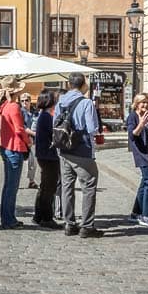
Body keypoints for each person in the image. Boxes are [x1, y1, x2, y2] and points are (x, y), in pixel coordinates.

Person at [56, 73, 104, 238]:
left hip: (64, 149)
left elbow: (56, 122)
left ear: (69, 84)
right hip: (82, 149)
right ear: (84, 85)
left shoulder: (60, 102)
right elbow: (92, 128)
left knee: (67, 186)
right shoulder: (86, 103)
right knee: (89, 186)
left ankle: (69, 224)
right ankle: (87, 226)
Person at [0, 76, 31, 229]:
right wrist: (28, 141)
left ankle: (7, 217)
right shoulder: (14, 107)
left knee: (8, 186)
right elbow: (19, 129)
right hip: (15, 148)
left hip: (5, 147)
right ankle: (9, 220)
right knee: (12, 186)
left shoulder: (3, 106)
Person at [31, 90, 61, 229]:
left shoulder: (43, 115)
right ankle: (46, 217)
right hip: (48, 156)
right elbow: (54, 134)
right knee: (49, 188)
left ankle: (38, 215)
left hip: (44, 155)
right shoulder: (46, 117)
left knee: (44, 187)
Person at [129, 93, 148, 227]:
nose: (145, 105)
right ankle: (146, 215)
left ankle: (136, 213)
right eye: (142, 102)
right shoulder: (133, 116)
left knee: (144, 182)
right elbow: (133, 134)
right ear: (136, 104)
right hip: (141, 153)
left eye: (147, 102)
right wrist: (141, 123)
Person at [21, 93, 40, 190]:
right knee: (19, 160)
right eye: (22, 100)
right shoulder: (20, 112)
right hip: (23, 139)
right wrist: (33, 133)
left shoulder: (35, 111)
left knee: (33, 161)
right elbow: (22, 127)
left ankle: (31, 181)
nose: (24, 102)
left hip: (34, 141)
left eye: (26, 100)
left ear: (30, 101)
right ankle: (16, 181)